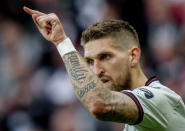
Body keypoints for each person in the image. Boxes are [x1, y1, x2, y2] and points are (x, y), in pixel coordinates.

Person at [23, 6, 185, 131]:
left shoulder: (158, 98)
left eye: (106, 57)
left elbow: (99, 104)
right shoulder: (139, 115)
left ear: (133, 56)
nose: (97, 70)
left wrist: (62, 42)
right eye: (91, 62)